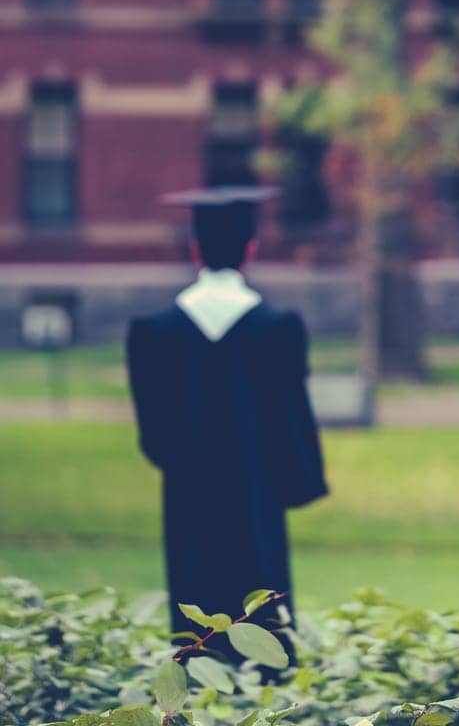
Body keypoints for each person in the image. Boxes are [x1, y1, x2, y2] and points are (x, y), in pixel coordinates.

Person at [126, 188, 328, 646]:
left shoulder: (154, 334)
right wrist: (298, 479)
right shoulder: (278, 330)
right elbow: (293, 423)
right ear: (250, 250)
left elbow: (153, 438)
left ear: (194, 249)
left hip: (188, 499)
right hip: (258, 498)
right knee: (262, 624)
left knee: (197, 629)